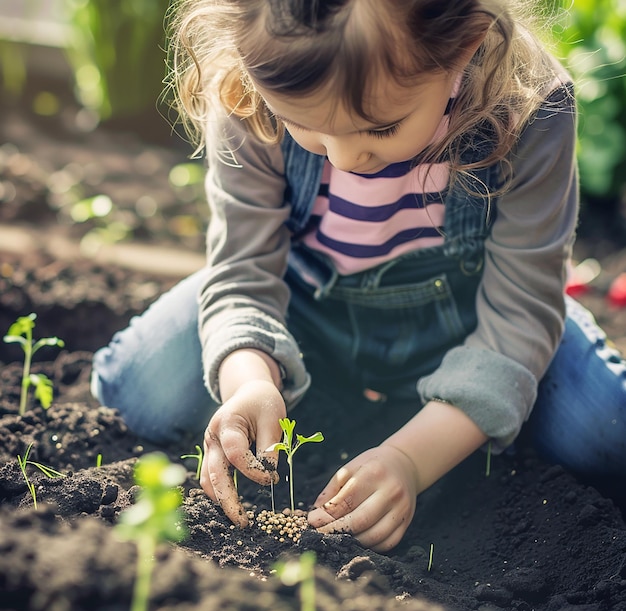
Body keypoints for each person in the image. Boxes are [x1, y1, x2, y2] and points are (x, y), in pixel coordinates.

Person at [91, 0, 626, 552]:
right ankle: (362, 399)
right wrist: (249, 380)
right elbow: (242, 273)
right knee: (140, 393)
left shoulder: (530, 106)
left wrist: (410, 460)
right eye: (304, 124)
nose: (345, 158)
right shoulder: (248, 89)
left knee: (606, 435)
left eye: (382, 127)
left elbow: (519, 316)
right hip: (304, 317)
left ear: (465, 41)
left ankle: (458, 409)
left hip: (474, 326)